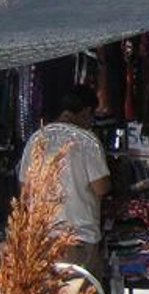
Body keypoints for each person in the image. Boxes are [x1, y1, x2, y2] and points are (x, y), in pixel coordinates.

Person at [18, 84, 111, 280]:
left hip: (43, 235)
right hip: (78, 236)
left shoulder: (37, 138)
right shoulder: (87, 141)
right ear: (86, 112)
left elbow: (25, 190)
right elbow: (101, 187)